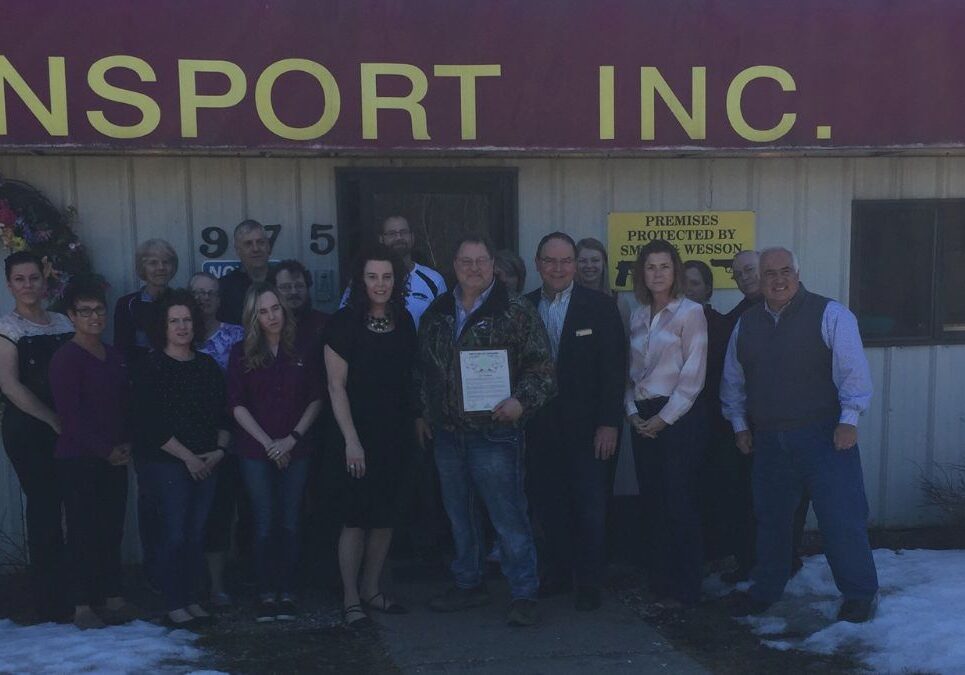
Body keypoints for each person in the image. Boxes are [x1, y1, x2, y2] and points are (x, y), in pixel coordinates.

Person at [722, 247, 879, 623]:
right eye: (769, 273)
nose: (778, 280)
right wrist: (740, 426)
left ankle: (859, 594)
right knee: (772, 521)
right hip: (770, 441)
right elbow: (733, 381)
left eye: (785, 271)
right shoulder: (746, 324)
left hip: (825, 437)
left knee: (841, 518)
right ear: (758, 279)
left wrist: (849, 419)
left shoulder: (831, 314)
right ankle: (766, 589)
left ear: (797, 272)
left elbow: (853, 372)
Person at [416, 234, 555, 627]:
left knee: (508, 516)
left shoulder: (515, 311)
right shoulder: (438, 311)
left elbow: (543, 371)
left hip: (495, 433)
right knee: (460, 516)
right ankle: (468, 584)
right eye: (465, 261)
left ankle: (525, 592)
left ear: (493, 265)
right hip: (447, 434)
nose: (473, 268)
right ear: (454, 265)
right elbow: (422, 369)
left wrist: (520, 402)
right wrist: (423, 412)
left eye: (481, 261)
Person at [524, 233, 626, 611]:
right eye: (550, 261)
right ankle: (556, 574)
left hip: (589, 429)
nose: (558, 268)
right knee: (550, 505)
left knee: (590, 506)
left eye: (566, 261)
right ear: (538, 264)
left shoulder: (599, 307)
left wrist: (609, 423)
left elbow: (614, 370)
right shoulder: (525, 306)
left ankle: (589, 582)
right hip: (540, 428)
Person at [325, 245, 418, 628]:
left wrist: (417, 419)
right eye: (372, 276)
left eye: (386, 277)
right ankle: (350, 597)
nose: (380, 284)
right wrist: (351, 440)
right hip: (354, 436)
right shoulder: (343, 323)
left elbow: (410, 378)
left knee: (385, 517)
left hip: (394, 434)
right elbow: (336, 387)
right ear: (360, 281)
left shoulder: (405, 320)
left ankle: (372, 588)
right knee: (355, 518)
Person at [132, 289, 228, 628]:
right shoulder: (150, 366)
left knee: (195, 534)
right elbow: (146, 425)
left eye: (187, 320)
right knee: (173, 534)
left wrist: (218, 452)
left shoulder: (207, 366)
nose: (183, 326)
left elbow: (223, 414)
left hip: (207, 463)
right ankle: (174, 604)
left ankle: (192, 599)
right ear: (163, 326)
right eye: (175, 321)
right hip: (167, 465)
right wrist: (188, 458)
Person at [228, 283, 323, 622]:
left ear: (285, 310)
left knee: (291, 520)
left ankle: (289, 591)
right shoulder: (241, 352)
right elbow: (236, 404)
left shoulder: (303, 348)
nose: (271, 316)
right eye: (263, 311)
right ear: (253, 316)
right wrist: (269, 443)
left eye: (275, 309)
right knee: (265, 521)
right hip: (255, 450)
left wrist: (291, 439)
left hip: (297, 448)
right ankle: (267, 591)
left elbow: (316, 398)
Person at [50, 277, 139, 629]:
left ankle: (112, 596)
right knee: (83, 530)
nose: (94, 317)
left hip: (115, 456)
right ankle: (82, 604)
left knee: (111, 528)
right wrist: (104, 450)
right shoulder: (65, 358)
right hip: (79, 458)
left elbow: (125, 406)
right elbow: (69, 416)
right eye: (85, 311)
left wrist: (126, 443)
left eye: (99, 310)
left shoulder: (114, 355)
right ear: (71, 316)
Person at [626, 240, 707, 608]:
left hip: (677, 418)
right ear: (642, 273)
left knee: (679, 502)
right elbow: (630, 372)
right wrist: (631, 412)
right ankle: (659, 584)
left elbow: (693, 377)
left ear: (675, 271)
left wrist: (662, 419)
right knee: (653, 501)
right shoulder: (637, 313)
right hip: (641, 416)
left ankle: (686, 588)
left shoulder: (691, 313)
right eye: (650, 267)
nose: (657, 273)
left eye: (664, 266)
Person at [722, 250, 808, 582]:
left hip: (802, 426)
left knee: (791, 502)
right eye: (738, 273)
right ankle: (755, 564)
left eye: (750, 270)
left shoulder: (805, 310)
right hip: (756, 426)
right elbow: (732, 377)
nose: (745, 277)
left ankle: (787, 562)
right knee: (756, 500)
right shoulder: (742, 318)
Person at [0, 251, 74, 622]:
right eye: (20, 279)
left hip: (69, 428)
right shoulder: (7, 328)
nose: (28, 285)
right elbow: (10, 386)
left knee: (74, 505)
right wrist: (52, 419)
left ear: (44, 282)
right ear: (10, 284)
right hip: (28, 429)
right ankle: (49, 600)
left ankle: (78, 590)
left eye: (34, 278)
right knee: (45, 506)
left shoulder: (62, 321)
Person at [189, 272, 245, 607]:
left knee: (227, 512)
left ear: (220, 300)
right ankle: (191, 584)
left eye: (210, 293)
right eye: (197, 293)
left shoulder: (237, 336)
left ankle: (221, 584)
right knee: (195, 515)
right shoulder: (178, 334)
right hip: (193, 443)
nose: (204, 299)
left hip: (240, 440)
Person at [341, 216, 446, 328]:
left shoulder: (434, 280)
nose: (399, 237)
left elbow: (444, 326)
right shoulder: (363, 279)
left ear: (412, 237)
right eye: (391, 234)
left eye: (404, 232)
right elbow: (344, 322)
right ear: (381, 239)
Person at [114, 238, 178, 367]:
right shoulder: (127, 305)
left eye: (166, 262)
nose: (161, 267)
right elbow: (121, 352)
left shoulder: (181, 301)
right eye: (153, 263)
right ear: (142, 267)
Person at [270, 259, 330, 356]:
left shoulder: (325, 324)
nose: (294, 292)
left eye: (299, 286)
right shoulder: (267, 326)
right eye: (286, 287)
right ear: (274, 291)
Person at [218, 220, 273, 325]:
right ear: (238, 250)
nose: (256, 249)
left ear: (268, 246)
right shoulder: (224, 288)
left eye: (260, 242)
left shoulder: (282, 281)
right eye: (248, 244)